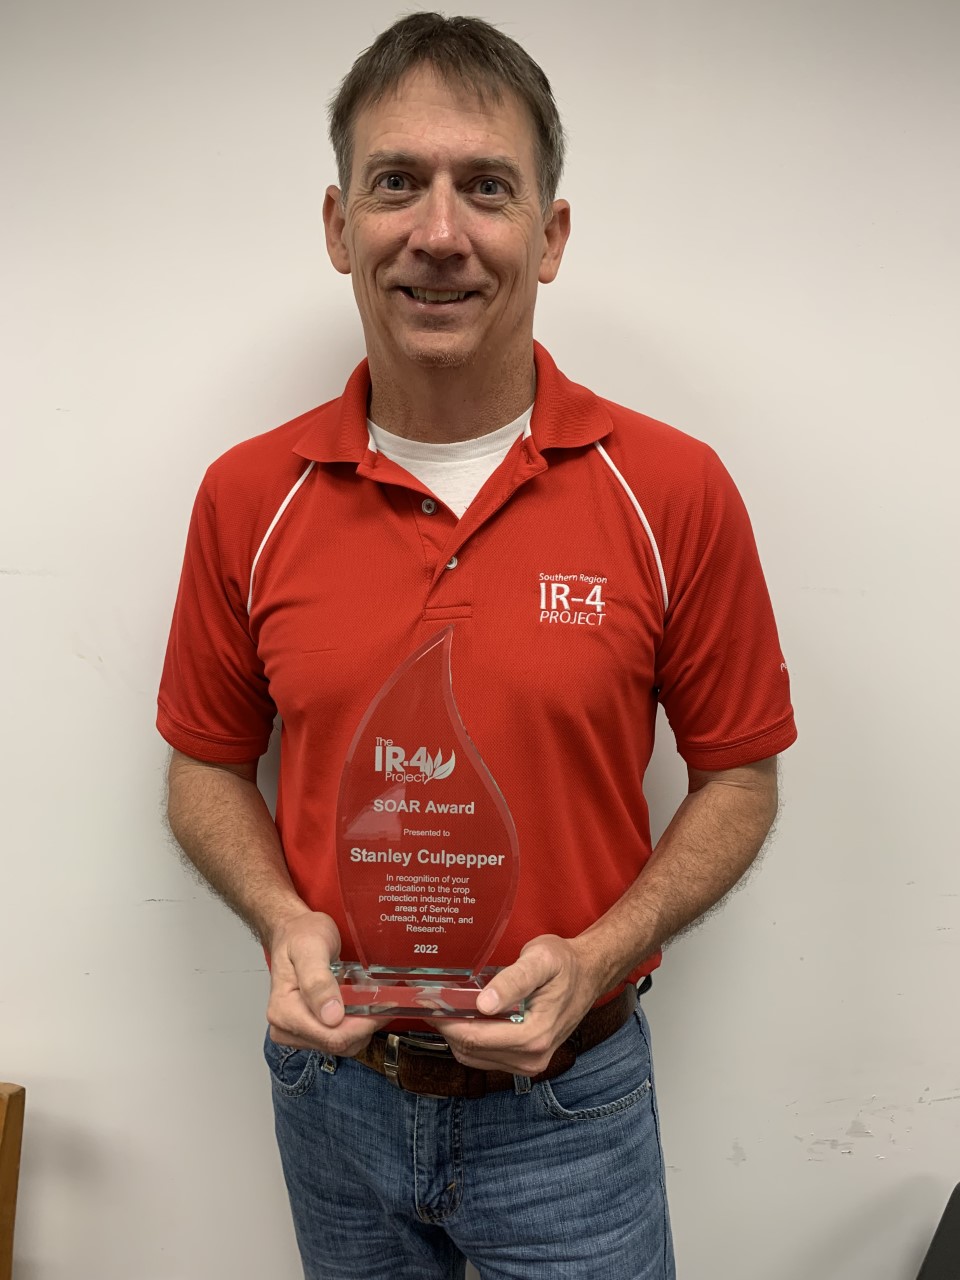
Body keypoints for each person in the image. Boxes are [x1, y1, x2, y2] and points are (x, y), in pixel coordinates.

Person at [158, 13, 796, 1279]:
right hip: (329, 1097)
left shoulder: (671, 489)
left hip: (572, 1106)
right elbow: (201, 767)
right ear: (339, 224)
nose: (438, 233)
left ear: (549, 236)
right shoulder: (247, 496)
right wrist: (281, 917)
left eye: (486, 188)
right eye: (397, 181)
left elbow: (740, 777)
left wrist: (600, 952)